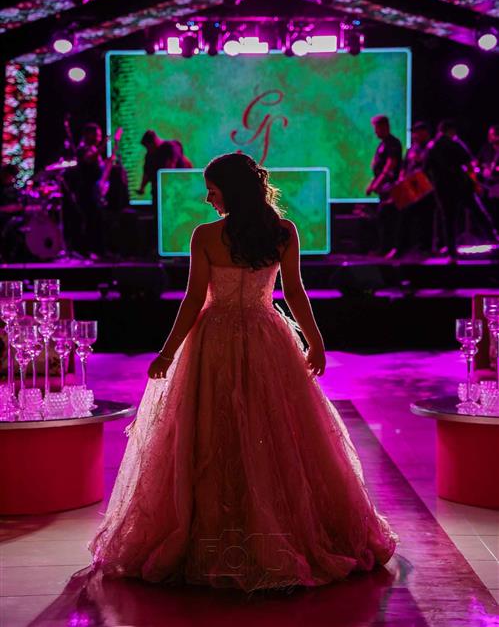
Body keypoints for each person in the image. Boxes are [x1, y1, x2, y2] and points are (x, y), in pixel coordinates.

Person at [89, 152, 397, 592]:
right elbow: (294, 293)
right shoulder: (282, 231)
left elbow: (195, 300)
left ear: (230, 191)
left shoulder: (206, 236)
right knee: (269, 430)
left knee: (216, 431)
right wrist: (314, 340)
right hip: (266, 333)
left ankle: (219, 530)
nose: (207, 198)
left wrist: (167, 353)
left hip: (213, 339)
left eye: (212, 190)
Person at [425, 119, 498, 258]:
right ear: (451, 131)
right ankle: (493, 239)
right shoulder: (455, 144)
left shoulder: (431, 147)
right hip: (461, 185)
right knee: (478, 213)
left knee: (448, 219)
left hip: (442, 188)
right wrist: (475, 183)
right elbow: (469, 164)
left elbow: (426, 168)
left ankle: (452, 252)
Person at [63, 122, 105, 257]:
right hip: (85, 191)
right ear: (88, 135)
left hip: (94, 190)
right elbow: (88, 160)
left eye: (100, 135)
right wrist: (103, 146)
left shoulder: (93, 149)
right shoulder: (83, 149)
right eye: (96, 135)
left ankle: (97, 250)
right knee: (88, 220)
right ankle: (86, 250)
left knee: (96, 220)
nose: (99, 138)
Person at [393, 121, 435, 257]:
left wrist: (420, 161)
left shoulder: (431, 147)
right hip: (410, 186)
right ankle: (401, 248)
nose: (414, 136)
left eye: (417, 133)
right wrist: (401, 178)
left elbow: (429, 167)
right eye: (413, 133)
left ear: (425, 133)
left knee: (425, 219)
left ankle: (425, 248)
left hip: (425, 188)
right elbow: (404, 165)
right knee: (404, 216)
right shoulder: (412, 148)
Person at [366, 114, 403, 254]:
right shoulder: (382, 144)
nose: (375, 132)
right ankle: (384, 248)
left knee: (388, 218)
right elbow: (378, 168)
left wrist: (378, 183)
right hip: (383, 189)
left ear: (384, 127)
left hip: (391, 188)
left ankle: (389, 248)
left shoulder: (393, 143)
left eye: (377, 128)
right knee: (382, 218)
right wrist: (372, 184)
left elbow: (389, 166)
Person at [476, 124, 499, 228]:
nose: (490, 137)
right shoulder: (486, 149)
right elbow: (478, 163)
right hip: (488, 186)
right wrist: (482, 169)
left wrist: (496, 170)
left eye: (492, 134)